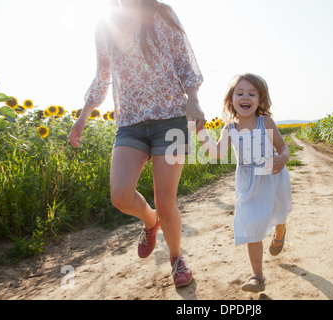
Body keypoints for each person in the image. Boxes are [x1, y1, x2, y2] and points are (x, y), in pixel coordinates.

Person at [68, 0, 205, 288]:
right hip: (130, 122)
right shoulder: (104, 24)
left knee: (166, 203)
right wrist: (83, 117)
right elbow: (102, 75)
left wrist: (193, 101)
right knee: (119, 195)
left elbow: (184, 61)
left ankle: (177, 258)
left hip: (170, 119)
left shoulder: (162, 13)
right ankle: (149, 221)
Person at [197, 73, 293, 293]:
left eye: (252, 93)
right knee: (251, 227)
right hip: (248, 182)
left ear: (260, 100)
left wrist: (283, 158)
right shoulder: (229, 128)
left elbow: (283, 147)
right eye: (240, 93)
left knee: (279, 214)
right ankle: (258, 276)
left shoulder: (265, 122)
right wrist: (200, 134)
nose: (245, 97)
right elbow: (218, 152)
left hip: (272, 176)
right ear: (231, 100)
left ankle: (280, 232)